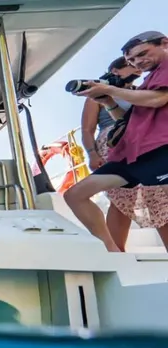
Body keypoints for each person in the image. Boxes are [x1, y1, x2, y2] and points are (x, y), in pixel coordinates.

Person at [65, 31, 168, 252]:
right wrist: (108, 101)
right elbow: (127, 121)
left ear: (164, 43)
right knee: (75, 195)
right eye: (132, 61)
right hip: (130, 153)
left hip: (160, 152)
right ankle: (113, 253)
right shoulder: (146, 82)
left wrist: (110, 89)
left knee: (163, 212)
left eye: (142, 54)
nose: (138, 62)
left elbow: (159, 99)